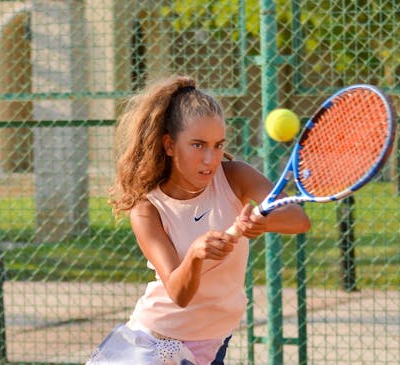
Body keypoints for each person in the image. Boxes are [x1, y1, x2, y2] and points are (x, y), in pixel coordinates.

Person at [87, 75, 311, 365]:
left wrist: (263, 223)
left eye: (218, 145)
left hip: (214, 339)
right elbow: (179, 294)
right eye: (197, 145)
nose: (210, 158)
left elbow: (298, 219)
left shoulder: (235, 176)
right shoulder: (147, 209)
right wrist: (195, 254)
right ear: (169, 145)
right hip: (158, 341)